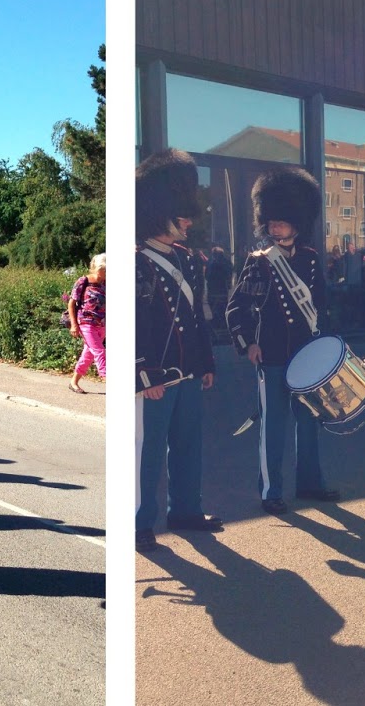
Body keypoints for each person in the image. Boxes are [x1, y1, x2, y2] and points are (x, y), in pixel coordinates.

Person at [227, 167, 338, 513]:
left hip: (305, 354)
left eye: (282, 223)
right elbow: (236, 307)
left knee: (308, 422)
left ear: (297, 223)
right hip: (272, 353)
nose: (275, 228)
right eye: (271, 223)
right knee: (273, 426)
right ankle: (271, 491)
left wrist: (330, 345)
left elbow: (321, 305)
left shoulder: (310, 259)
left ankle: (310, 483)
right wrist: (248, 343)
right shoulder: (259, 263)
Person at [135, 150, 221, 548]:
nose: (188, 220)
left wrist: (206, 362)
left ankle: (185, 509)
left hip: (187, 368)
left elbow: (197, 314)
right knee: (149, 452)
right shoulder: (136, 260)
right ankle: (139, 522)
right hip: (158, 374)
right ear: (159, 212)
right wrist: (144, 374)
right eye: (181, 215)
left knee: (188, 443)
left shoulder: (188, 260)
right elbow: (137, 322)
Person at [67, 253, 106, 392]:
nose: (107, 272)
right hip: (86, 323)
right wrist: (73, 325)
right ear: (97, 268)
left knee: (88, 355)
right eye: (105, 269)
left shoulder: (107, 283)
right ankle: (107, 377)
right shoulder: (84, 281)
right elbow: (71, 304)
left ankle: (73, 382)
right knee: (100, 351)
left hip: (102, 325)